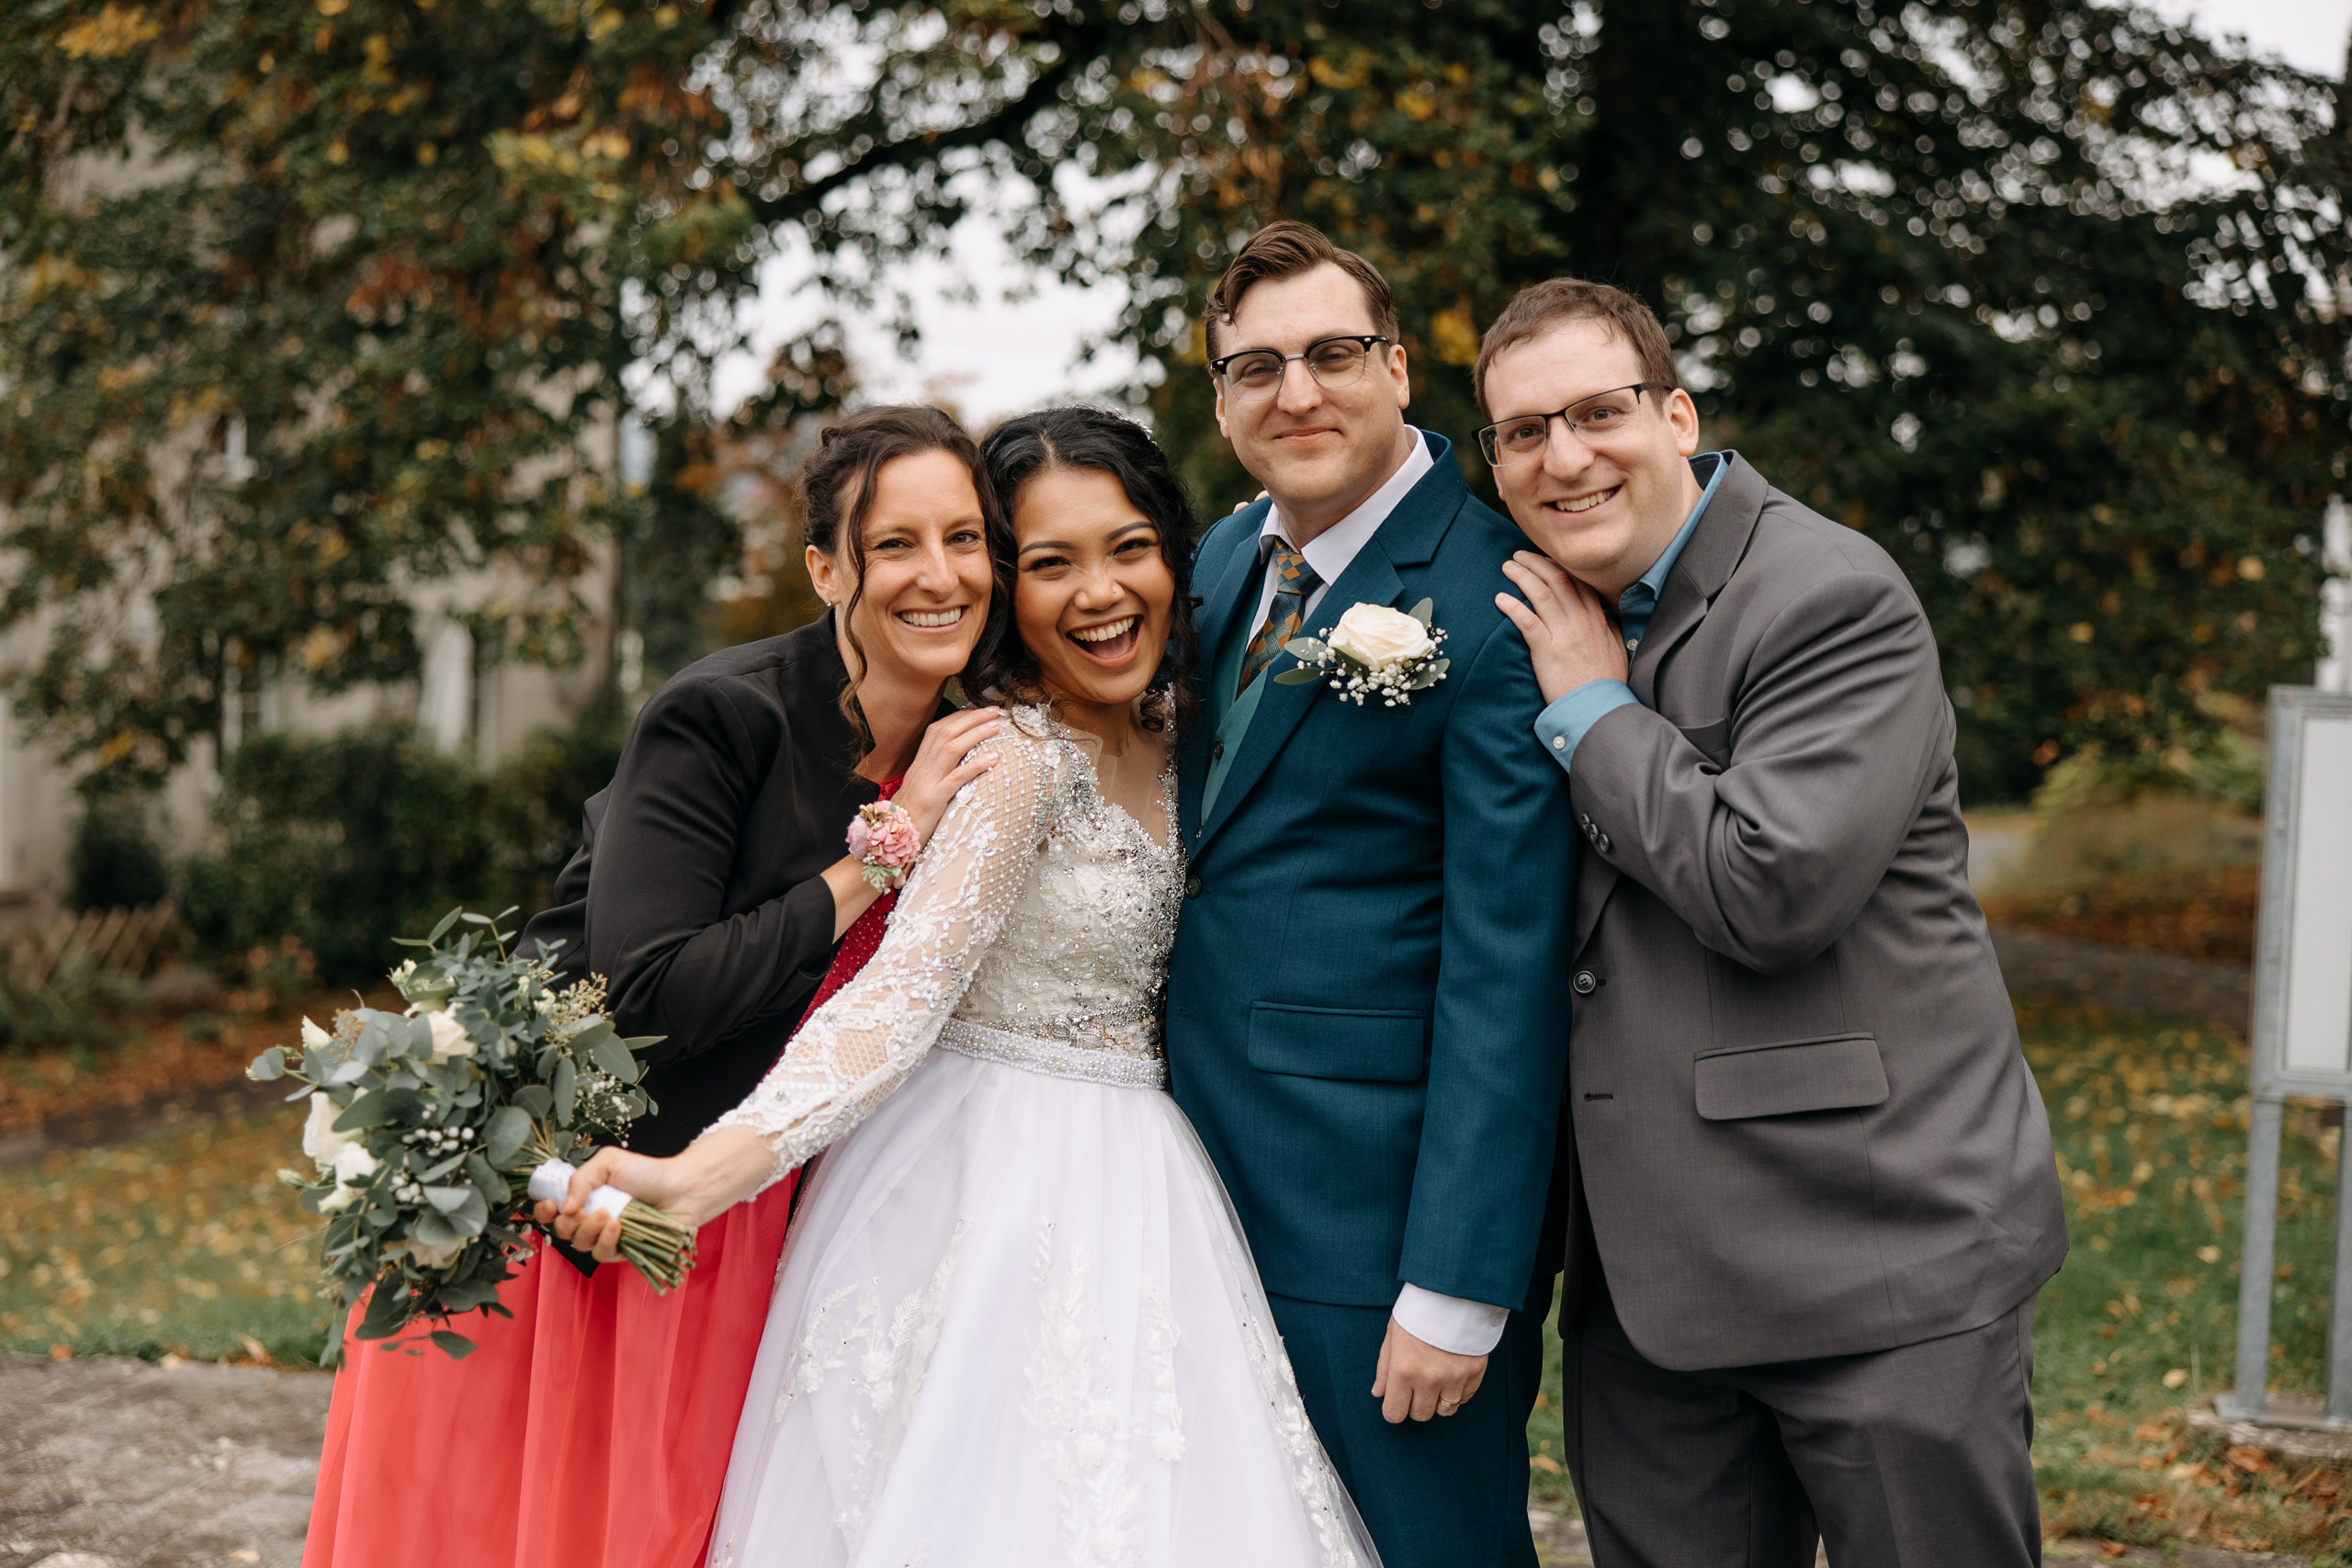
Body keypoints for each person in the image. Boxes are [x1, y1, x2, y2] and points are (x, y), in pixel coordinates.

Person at [548, 404, 1383, 1567]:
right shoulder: (1011, 760)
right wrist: (698, 1178)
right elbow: (896, 999)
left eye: (1128, 549)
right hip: (978, 1178)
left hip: (1147, 1178)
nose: (1099, 592)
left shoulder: (1182, 729)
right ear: (1008, 586)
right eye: (1050, 563)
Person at [301, 405, 1005, 1568]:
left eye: (964, 538)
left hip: (769, 1200)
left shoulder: (979, 728)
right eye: (895, 544)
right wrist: (884, 849)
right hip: (592, 1200)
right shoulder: (721, 714)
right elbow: (649, 992)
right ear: (827, 570)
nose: (941, 575)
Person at [1478, 277, 2068, 1567]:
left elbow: (1772, 889)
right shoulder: (1525, 610)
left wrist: (1593, 713)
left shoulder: (1829, 595)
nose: (1562, 458)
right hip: (1649, 1283)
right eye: (1523, 432)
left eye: (1597, 412)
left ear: (1677, 415)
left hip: (1878, 1256)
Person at [1163, 220, 1577, 1568]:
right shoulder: (1221, 561)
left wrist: (1458, 1281)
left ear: (1399, 369)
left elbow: (1509, 970)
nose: (1296, 393)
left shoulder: (1495, 597)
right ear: (1221, 400)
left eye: (1333, 354)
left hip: (1375, 1230)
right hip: (1189, 1192)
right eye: (1257, 367)